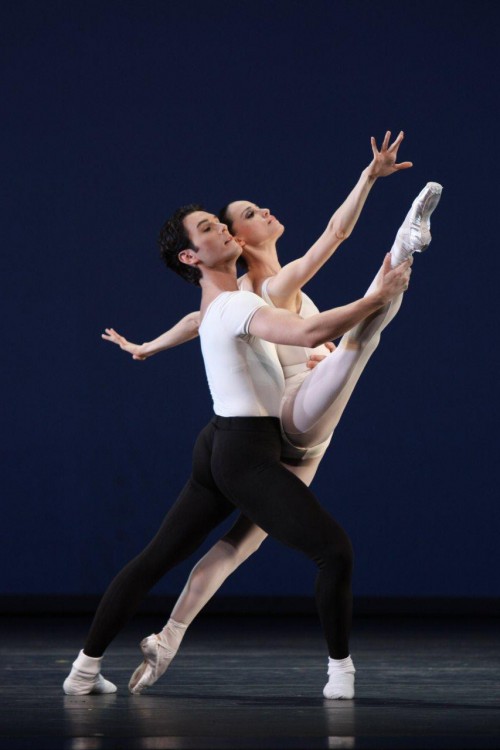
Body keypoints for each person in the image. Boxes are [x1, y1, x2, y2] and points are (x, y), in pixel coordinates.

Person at [100, 139, 442, 693]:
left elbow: (196, 320)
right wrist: (369, 178)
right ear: (237, 237)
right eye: (248, 216)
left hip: (305, 437)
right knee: (361, 336)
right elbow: (335, 235)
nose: (263, 215)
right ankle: (406, 245)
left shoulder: (241, 295)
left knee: (236, 547)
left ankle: (167, 640)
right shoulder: (270, 288)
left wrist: (146, 347)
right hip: (289, 421)